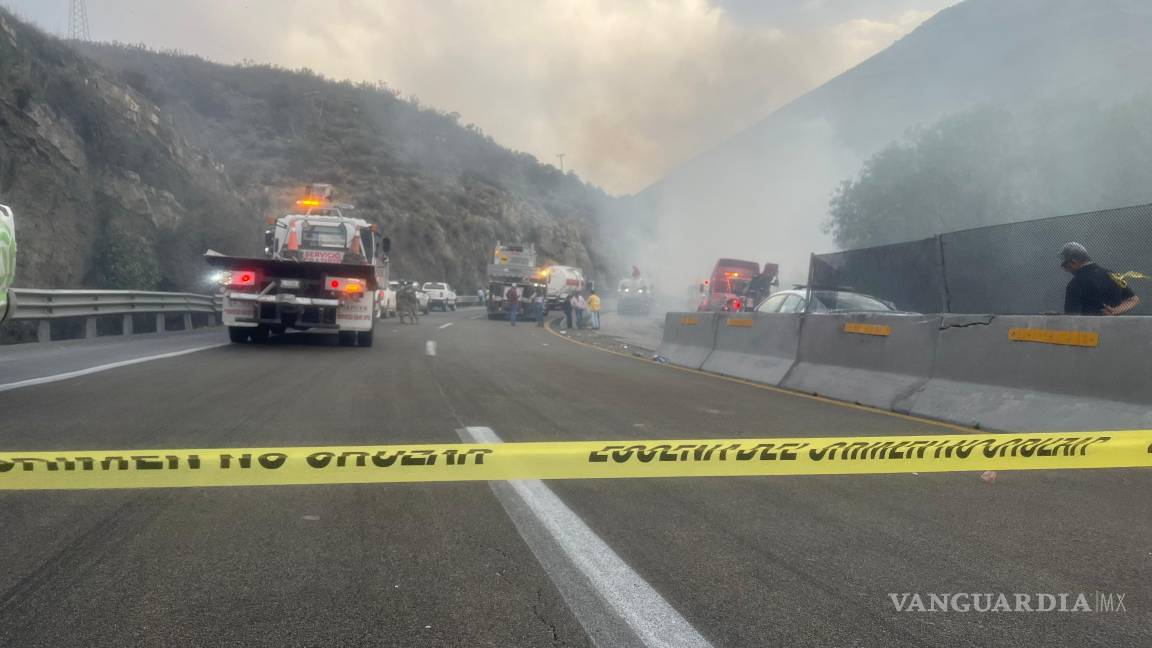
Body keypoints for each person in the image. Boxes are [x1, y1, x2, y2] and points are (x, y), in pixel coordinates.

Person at [1060, 242, 1140, 315]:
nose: (1066, 270)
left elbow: (1071, 318)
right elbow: (1133, 299)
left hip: (1089, 330)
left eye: (1065, 266)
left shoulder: (1075, 284)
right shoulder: (1113, 275)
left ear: (1074, 262)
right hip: (1115, 328)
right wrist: (1116, 311)